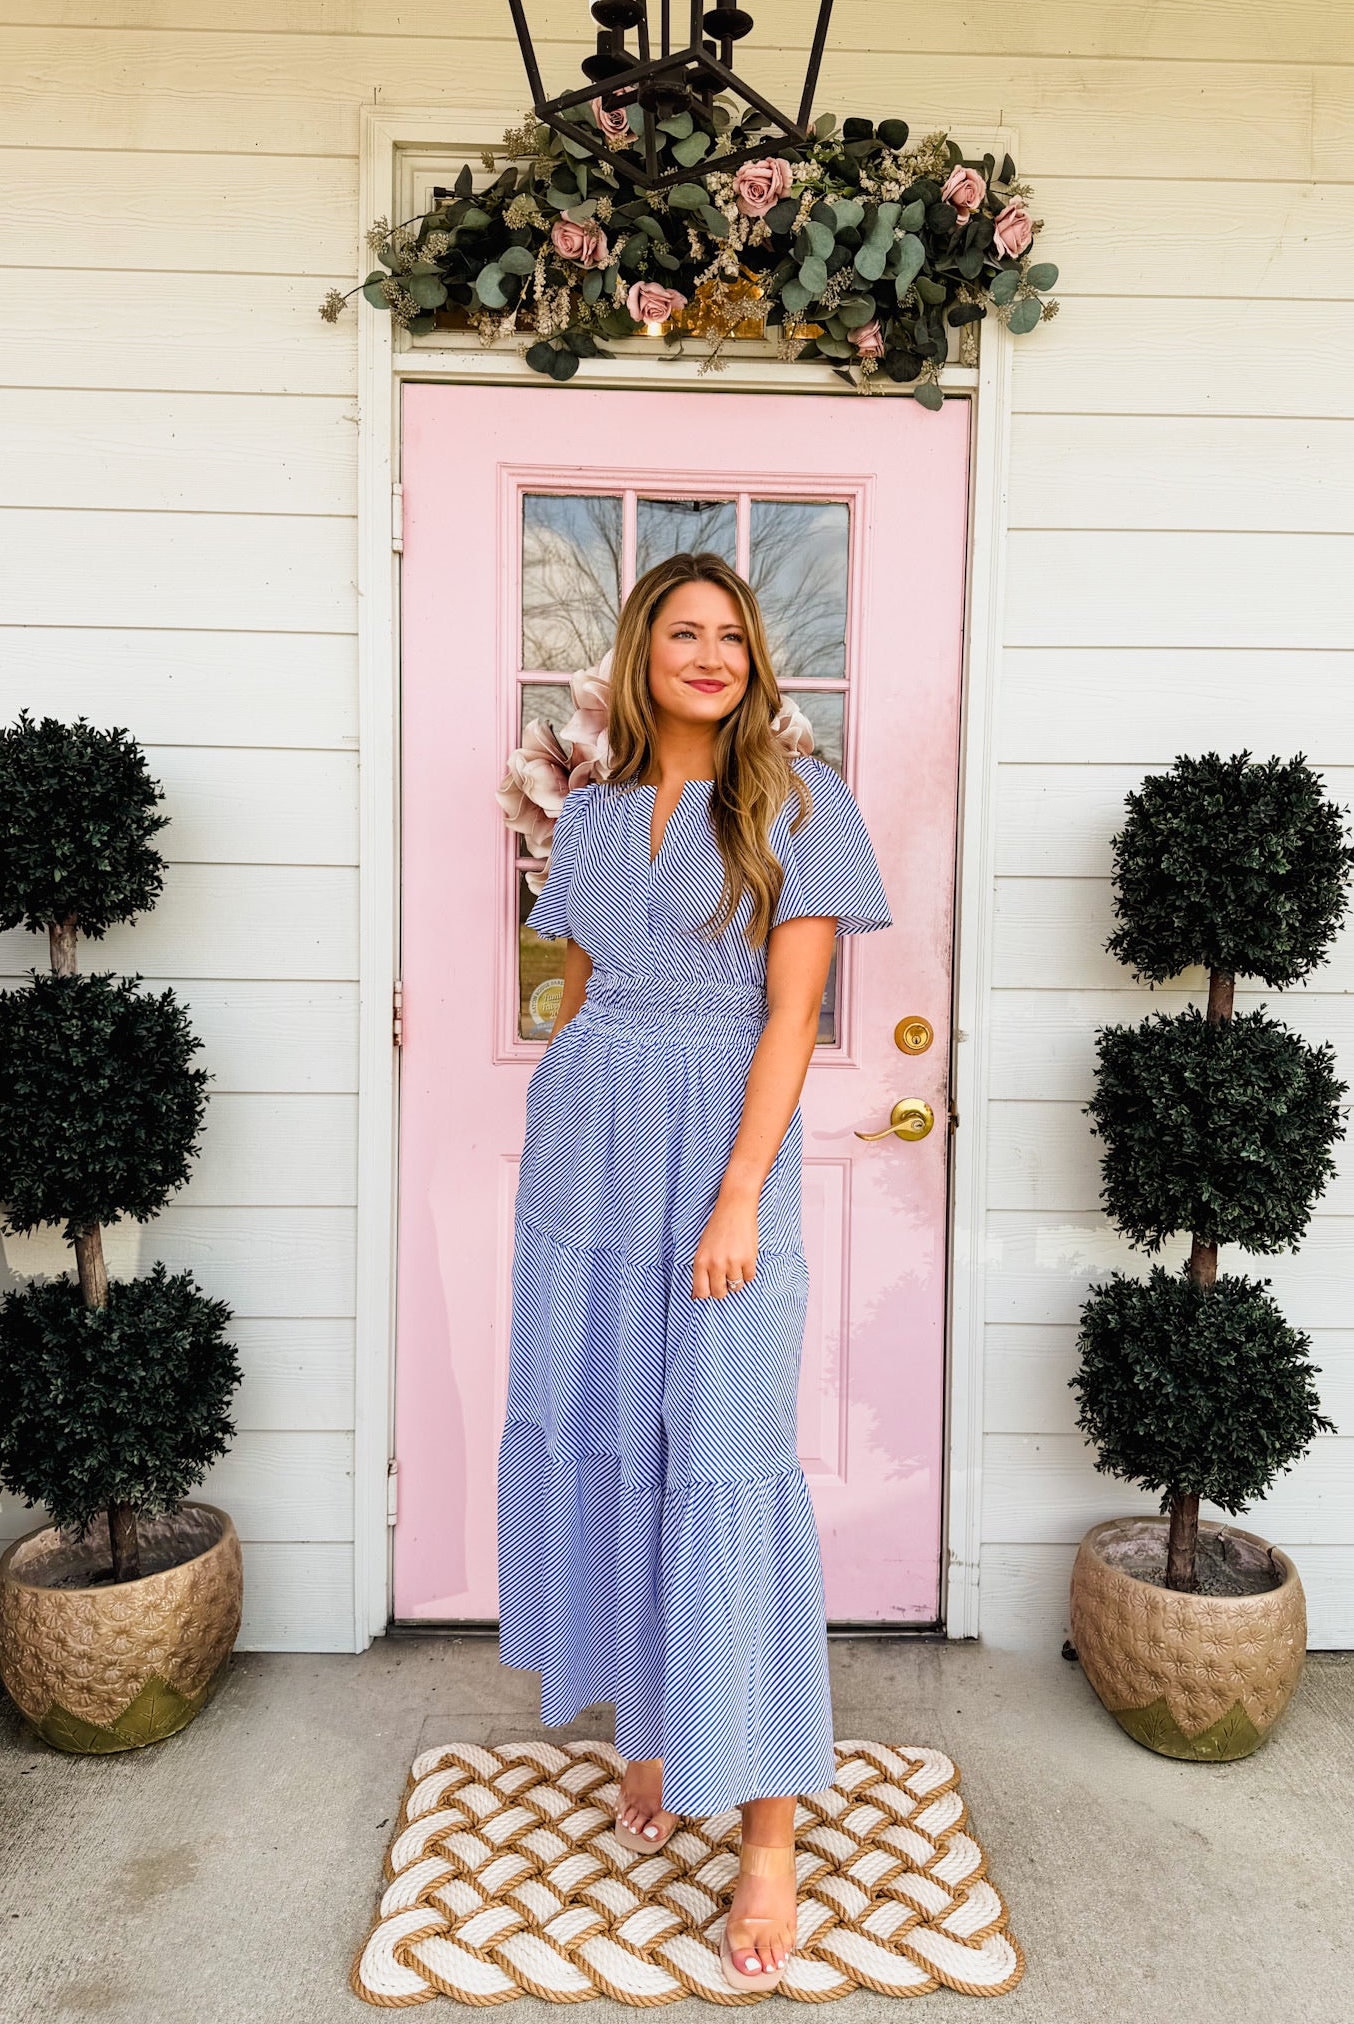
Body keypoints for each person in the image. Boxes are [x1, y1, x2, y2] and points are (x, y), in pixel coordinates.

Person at [497, 549, 893, 1992]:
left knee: (726, 1453)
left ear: (754, 662)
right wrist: (563, 1115)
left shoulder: (800, 804)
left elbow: (792, 1019)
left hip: (724, 1151)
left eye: (734, 632)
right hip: (588, 1157)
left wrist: (737, 1194)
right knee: (609, 1434)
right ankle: (657, 1727)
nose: (712, 653)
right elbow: (577, 989)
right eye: (685, 630)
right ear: (641, 652)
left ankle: (772, 1833)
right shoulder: (592, 816)